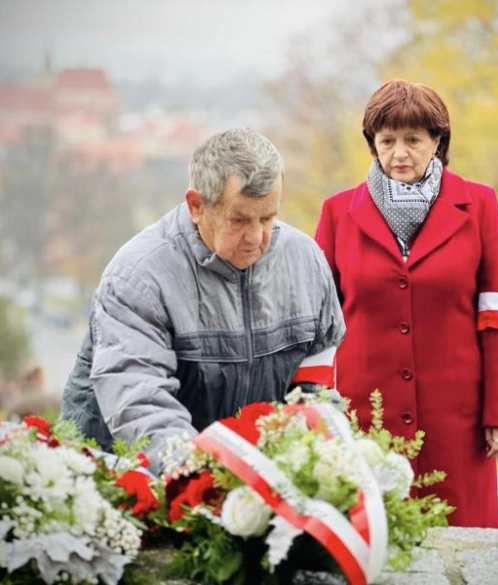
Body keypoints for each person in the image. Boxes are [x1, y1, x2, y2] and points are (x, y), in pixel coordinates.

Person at [62, 128, 344, 475]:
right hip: (139, 481)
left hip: (255, 489)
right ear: (196, 205)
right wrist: (207, 477)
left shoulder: (305, 262)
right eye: (239, 220)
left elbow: (316, 388)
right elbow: (140, 402)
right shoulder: (139, 276)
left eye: (267, 218)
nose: (256, 238)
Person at [314, 80, 498, 527]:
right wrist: (314, 409)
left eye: (413, 140)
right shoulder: (336, 213)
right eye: (387, 141)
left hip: (456, 421)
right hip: (364, 420)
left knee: (464, 550)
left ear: (437, 142)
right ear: (373, 145)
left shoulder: (480, 205)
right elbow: (318, 327)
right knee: (370, 544)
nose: (399, 153)